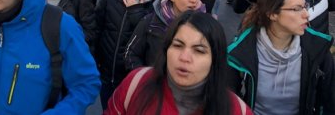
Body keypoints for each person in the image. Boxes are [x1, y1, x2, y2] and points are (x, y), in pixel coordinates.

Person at [105, 11, 253, 115]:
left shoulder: (236, 110)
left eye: (199, 50)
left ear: (215, 60)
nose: (184, 57)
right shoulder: (136, 84)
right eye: (177, 45)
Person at [227, 0, 335, 114]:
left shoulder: (318, 48)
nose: (306, 14)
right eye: (297, 9)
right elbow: (227, 102)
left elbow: (329, 101)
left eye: (305, 6)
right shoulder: (240, 52)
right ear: (272, 13)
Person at [96, 0, 159, 109]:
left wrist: (135, 11)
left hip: (133, 77)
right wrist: (96, 58)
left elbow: (152, 40)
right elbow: (97, 26)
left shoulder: (156, 2)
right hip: (107, 72)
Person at [124, 0, 205, 71]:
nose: (194, 0)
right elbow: (130, 54)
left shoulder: (206, 26)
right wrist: (146, 79)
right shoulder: (150, 22)